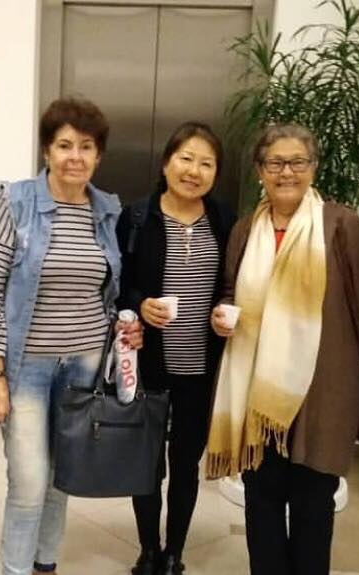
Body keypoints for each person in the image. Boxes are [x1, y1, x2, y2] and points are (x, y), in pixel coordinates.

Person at [206, 124, 359, 574]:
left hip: (324, 391)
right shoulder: (245, 229)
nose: (286, 172)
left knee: (314, 505)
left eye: (297, 162)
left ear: (314, 168)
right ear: (260, 170)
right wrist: (222, 314)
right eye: (275, 163)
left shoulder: (342, 225)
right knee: (262, 502)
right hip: (258, 394)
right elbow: (230, 292)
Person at [0, 96, 144, 575]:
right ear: (47, 150)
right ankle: (15, 569)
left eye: (86, 147)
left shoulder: (107, 209)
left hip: (84, 365)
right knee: (29, 482)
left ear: (98, 156)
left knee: (60, 478)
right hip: (26, 366)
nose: (75, 156)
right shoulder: (16, 201)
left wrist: (126, 323)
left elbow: (111, 289)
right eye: (64, 145)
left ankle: (45, 564)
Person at [116, 121, 236, 575]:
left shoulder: (224, 220)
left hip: (200, 367)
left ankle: (174, 553)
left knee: (185, 464)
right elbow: (119, 283)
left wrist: (225, 310)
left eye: (206, 163)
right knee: (147, 464)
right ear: (166, 163)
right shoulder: (138, 216)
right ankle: (148, 549)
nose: (194, 171)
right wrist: (138, 305)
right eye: (186, 158)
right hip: (148, 363)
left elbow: (233, 284)